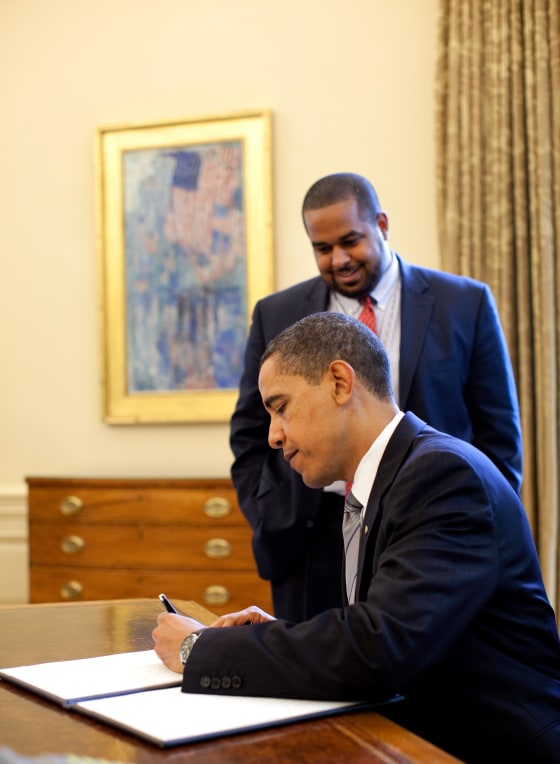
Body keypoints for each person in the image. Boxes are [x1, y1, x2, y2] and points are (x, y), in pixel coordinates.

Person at [153, 312, 559, 764]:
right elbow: (382, 630)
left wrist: (200, 649)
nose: (273, 435)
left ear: (340, 383)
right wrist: (281, 637)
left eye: (280, 406)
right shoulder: (391, 478)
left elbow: (378, 650)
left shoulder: (443, 476)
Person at [230, 172, 523, 622]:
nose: (339, 259)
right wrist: (268, 512)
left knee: (392, 657)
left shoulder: (464, 304)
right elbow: (251, 432)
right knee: (301, 666)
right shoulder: (276, 313)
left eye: (351, 241)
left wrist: (472, 527)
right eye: (322, 249)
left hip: (421, 524)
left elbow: (498, 436)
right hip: (306, 534)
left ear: (382, 226)